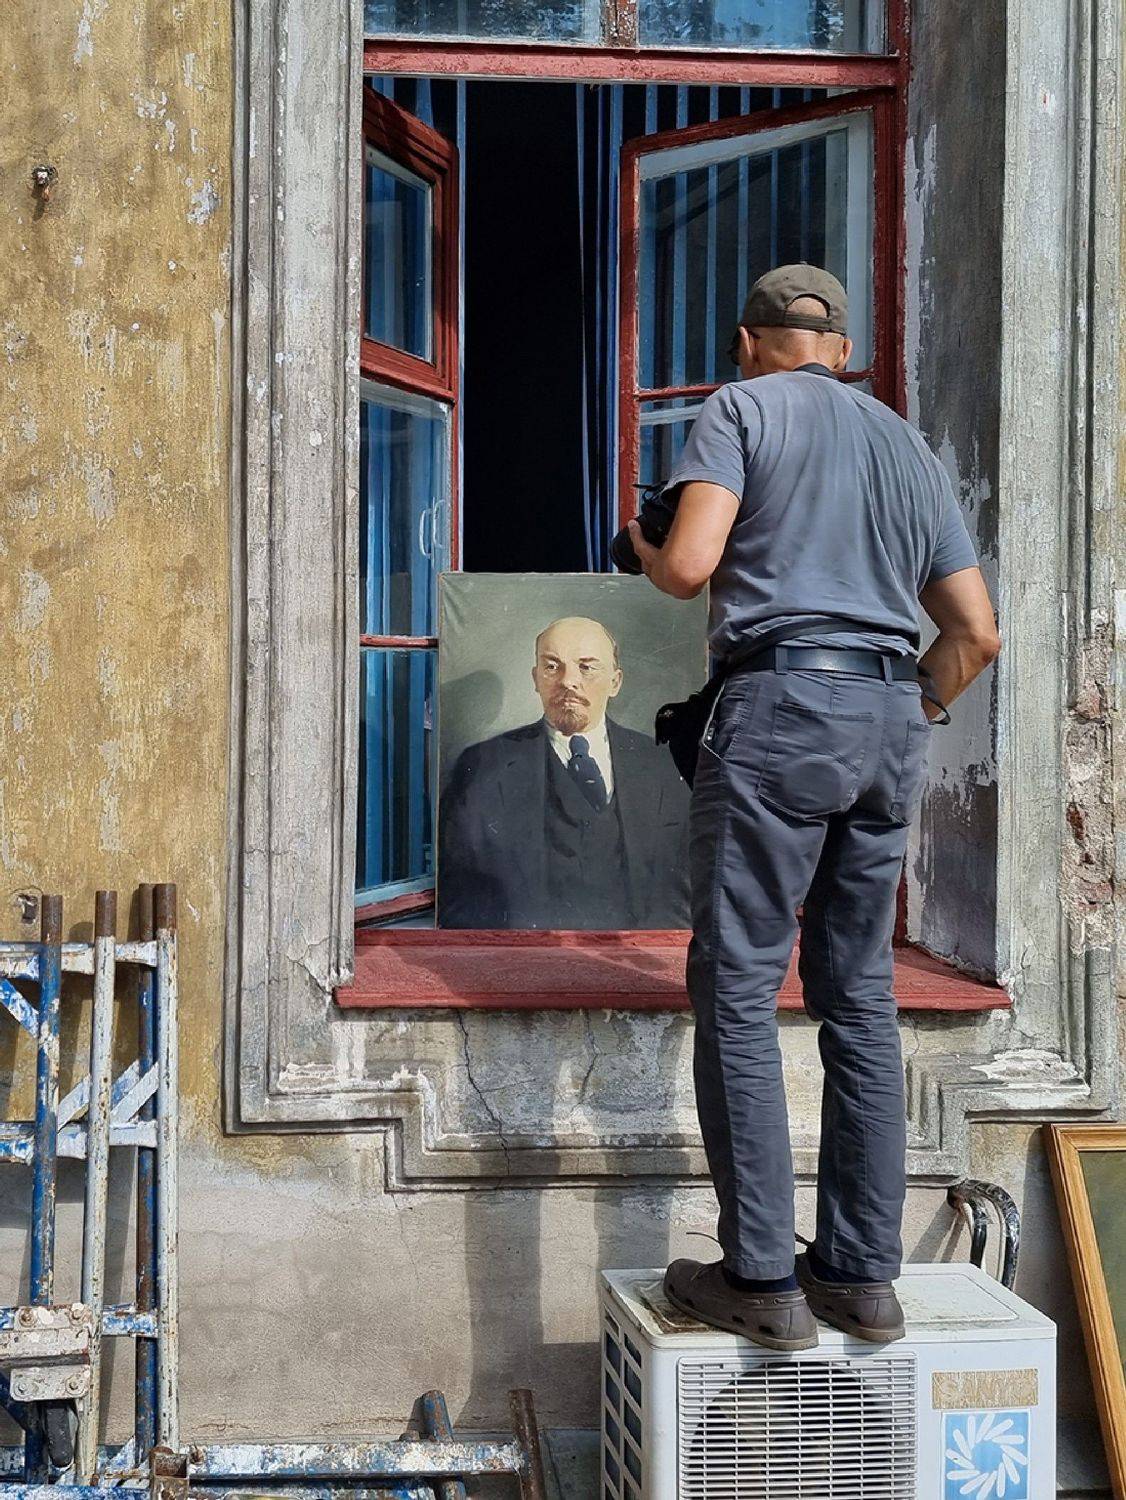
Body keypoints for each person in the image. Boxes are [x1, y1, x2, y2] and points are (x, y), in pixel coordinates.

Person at [627, 264, 1001, 1350]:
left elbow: (688, 567)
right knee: (858, 994)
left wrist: (645, 547)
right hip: (890, 716)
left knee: (740, 986)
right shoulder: (907, 446)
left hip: (782, 702)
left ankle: (758, 1279)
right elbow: (976, 633)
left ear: (750, 343)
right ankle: (860, 1276)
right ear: (840, 352)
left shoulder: (741, 409)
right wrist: (902, 708)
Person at [437, 615, 690, 929]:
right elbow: (460, 898)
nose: (568, 681)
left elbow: (686, 893)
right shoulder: (483, 766)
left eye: (586, 667)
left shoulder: (662, 763)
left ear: (615, 682)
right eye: (552, 666)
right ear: (535, 678)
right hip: (529, 951)